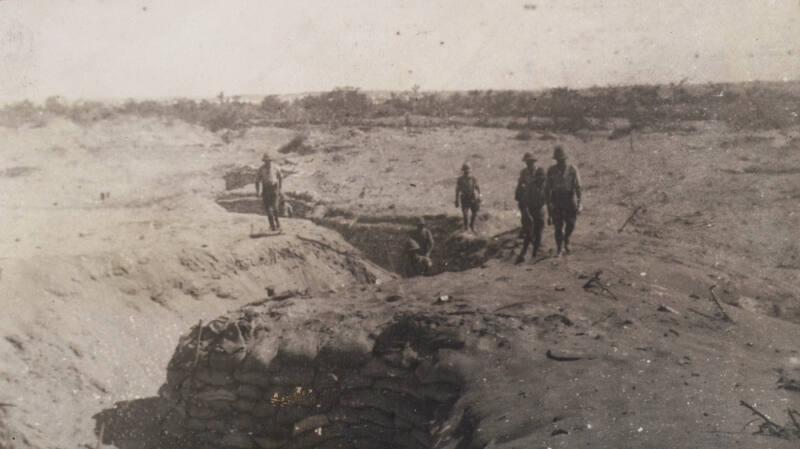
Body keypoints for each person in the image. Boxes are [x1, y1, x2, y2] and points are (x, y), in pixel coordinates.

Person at [545, 146, 582, 256]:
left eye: (562, 160)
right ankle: (559, 248)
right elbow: (547, 189)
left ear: (566, 159)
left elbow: (578, 187)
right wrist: (549, 205)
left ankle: (567, 239)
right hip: (556, 199)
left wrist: (580, 203)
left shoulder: (572, 169)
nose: (560, 162)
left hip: (569, 198)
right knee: (558, 225)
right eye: (558, 160)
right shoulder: (551, 170)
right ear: (556, 160)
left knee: (571, 223)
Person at [515, 152, 547, 263]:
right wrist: (520, 201)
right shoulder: (524, 173)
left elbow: (544, 187)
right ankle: (525, 252)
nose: (529, 164)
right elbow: (520, 187)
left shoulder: (540, 172)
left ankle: (535, 251)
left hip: (539, 204)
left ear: (534, 162)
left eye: (531, 162)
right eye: (527, 162)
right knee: (529, 228)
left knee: (539, 228)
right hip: (528, 203)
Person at [255, 153, 283, 232]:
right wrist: (257, 191)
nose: (267, 163)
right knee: (268, 209)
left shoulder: (276, 167)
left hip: (274, 189)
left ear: (271, 160)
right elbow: (257, 181)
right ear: (264, 161)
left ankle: (277, 223)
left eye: (269, 161)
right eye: (266, 161)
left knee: (275, 208)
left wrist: (280, 188)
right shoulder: (261, 169)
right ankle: (272, 226)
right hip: (266, 189)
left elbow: (281, 177)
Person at [454, 162, 481, 232]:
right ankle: (466, 227)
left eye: (468, 170)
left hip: (472, 197)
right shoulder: (460, 179)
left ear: (470, 170)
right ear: (463, 171)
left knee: (474, 213)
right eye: (465, 170)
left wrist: (480, 196)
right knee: (465, 214)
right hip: (464, 198)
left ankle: (472, 225)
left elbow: (478, 188)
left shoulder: (473, 178)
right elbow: (457, 190)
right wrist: (456, 200)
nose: (467, 171)